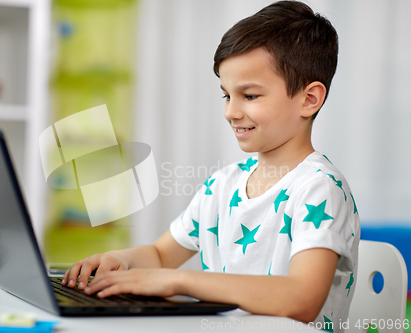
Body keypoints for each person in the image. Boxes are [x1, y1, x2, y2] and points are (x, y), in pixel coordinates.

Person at [62, 1, 360, 330]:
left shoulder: (319, 188)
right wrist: (120, 260)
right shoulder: (223, 185)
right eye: (226, 95)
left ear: (309, 99)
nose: (231, 111)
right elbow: (161, 256)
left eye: (249, 96)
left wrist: (180, 282)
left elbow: (301, 299)